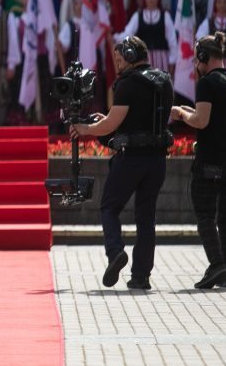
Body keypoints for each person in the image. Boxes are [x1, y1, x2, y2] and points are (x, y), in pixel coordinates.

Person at [70, 36, 174, 290]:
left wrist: (84, 128)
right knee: (146, 218)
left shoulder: (127, 84)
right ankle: (141, 276)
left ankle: (115, 252)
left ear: (129, 55)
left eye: (119, 59)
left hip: (131, 158)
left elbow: (110, 125)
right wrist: (107, 121)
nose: (117, 64)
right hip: (157, 159)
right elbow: (140, 118)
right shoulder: (164, 80)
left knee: (109, 208)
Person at [171, 32, 226, 289]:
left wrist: (181, 114)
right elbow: (215, 117)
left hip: (210, 161)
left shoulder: (206, 84)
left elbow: (201, 121)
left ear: (203, 57)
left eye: (195, 59)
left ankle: (216, 265)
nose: (195, 64)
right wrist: (189, 112)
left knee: (204, 214)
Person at [116, 0, 177, 75]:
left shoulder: (165, 16)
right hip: (143, 60)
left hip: (162, 59)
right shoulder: (138, 16)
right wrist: (114, 37)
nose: (151, 0)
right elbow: (128, 34)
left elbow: (172, 41)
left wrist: (172, 61)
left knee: (160, 85)